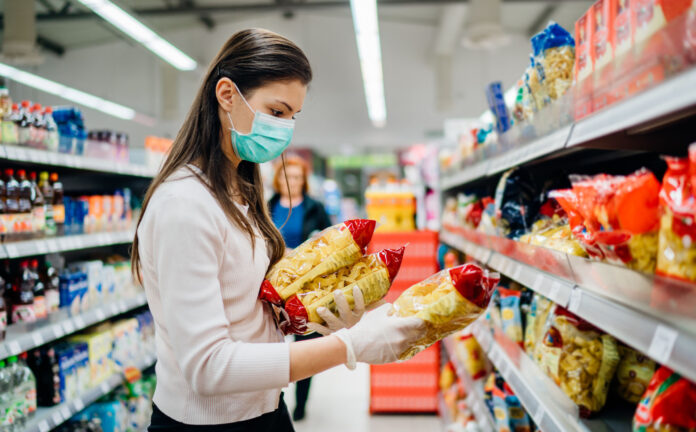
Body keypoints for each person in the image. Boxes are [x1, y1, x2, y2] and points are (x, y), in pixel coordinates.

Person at [131, 28, 425, 431]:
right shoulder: (184, 205)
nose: (286, 129)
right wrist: (348, 347)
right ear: (227, 95)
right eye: (277, 111)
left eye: (293, 117)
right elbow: (208, 367)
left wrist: (315, 313)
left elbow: (243, 308)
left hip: (265, 410)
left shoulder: (240, 190)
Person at [268, 156, 331, 421]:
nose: (291, 182)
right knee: (271, 342)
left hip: (306, 287)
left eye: (296, 177)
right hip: (273, 286)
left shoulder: (315, 208)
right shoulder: (266, 205)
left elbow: (330, 241)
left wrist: (306, 251)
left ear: (303, 181)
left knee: (305, 343)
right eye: (286, 176)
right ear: (278, 179)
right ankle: (273, 397)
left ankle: (301, 403)